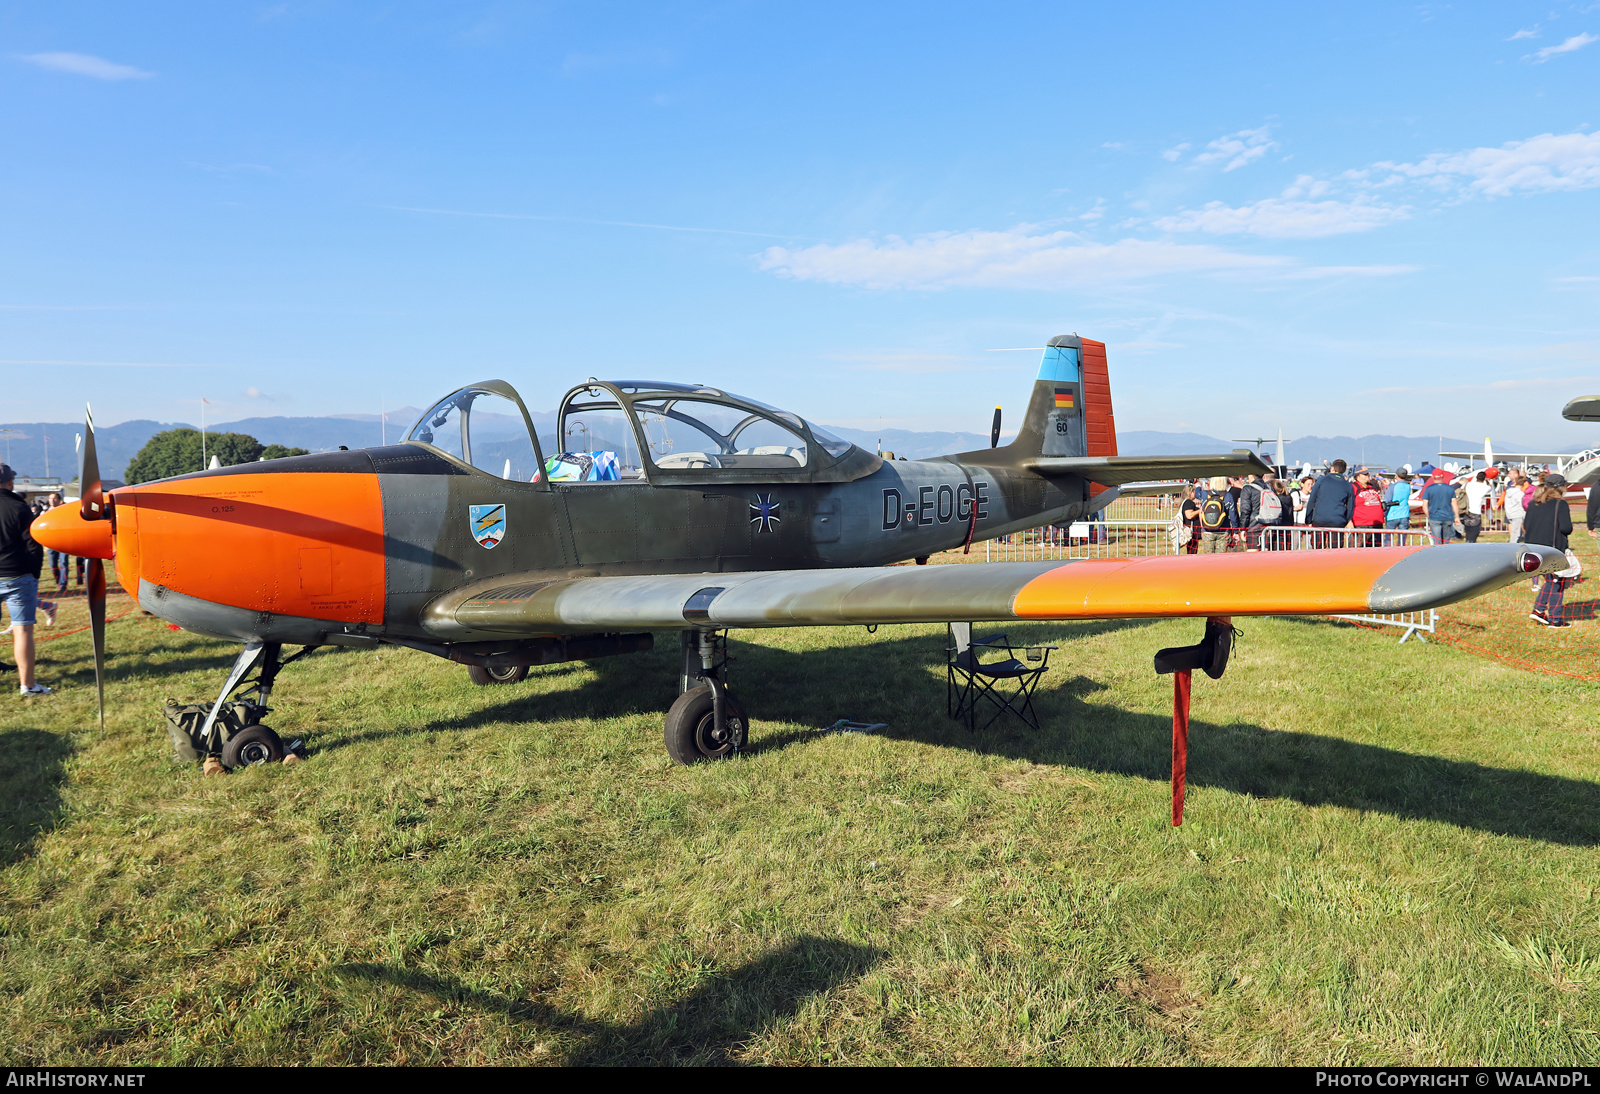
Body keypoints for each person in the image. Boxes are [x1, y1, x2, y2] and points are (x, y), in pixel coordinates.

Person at [0, 464, 53, 695]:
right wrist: (34, 573)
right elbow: (34, 545)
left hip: (17, 575)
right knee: (22, 631)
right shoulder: (19, 508)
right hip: (18, 575)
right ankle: (28, 685)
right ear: (10, 483)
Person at [1525, 475, 1576, 627]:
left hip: (1534, 549)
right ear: (1561, 487)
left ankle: (1539, 610)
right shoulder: (1560, 504)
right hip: (1553, 549)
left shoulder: (1534, 503)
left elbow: (1526, 525)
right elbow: (1566, 528)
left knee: (1550, 580)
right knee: (1557, 582)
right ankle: (1555, 619)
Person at [1304, 460, 1355, 547]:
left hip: (1319, 520)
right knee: (1335, 550)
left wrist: (1308, 519)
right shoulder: (1348, 485)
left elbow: (1312, 500)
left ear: (1332, 468)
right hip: (1338, 521)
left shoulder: (1321, 481)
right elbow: (1350, 506)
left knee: (1318, 549)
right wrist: (1345, 520)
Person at [1239, 471, 1284, 551]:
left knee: (1252, 557)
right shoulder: (1270, 488)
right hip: (1268, 525)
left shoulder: (1247, 488)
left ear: (1251, 476)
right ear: (1263, 476)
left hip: (1253, 527)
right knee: (1265, 557)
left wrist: (1243, 529)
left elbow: (1245, 510)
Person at [1420, 471, 1461, 543]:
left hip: (1434, 517)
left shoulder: (1429, 489)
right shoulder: (1450, 488)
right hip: (1447, 516)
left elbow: (1425, 504)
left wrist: (1428, 515)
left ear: (1432, 477)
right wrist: (1457, 516)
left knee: (1437, 540)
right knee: (1446, 540)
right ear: (1442, 477)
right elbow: (1454, 502)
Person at [1198, 475, 1233, 554]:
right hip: (1223, 531)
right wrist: (1236, 531)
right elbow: (1233, 514)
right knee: (1221, 558)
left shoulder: (1204, 494)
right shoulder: (1228, 495)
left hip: (1207, 530)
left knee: (1208, 557)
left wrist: (1197, 485)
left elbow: (1197, 493)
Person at [1351, 469, 1385, 546]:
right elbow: (1347, 505)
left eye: (1368, 474)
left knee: (1376, 551)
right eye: (1364, 474)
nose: (1367, 476)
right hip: (1362, 525)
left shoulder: (1371, 487)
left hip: (1376, 524)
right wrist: (1349, 522)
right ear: (1358, 476)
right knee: (1360, 551)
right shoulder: (1353, 488)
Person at [1382, 469, 1415, 544]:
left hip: (1392, 515)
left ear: (1396, 475)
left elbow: (1387, 501)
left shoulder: (1393, 487)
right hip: (1404, 514)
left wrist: (1384, 514)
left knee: (1388, 539)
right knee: (1402, 539)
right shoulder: (1408, 486)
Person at [1461, 471, 1492, 544]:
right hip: (1476, 511)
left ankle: (1468, 542)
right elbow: (1490, 487)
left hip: (1466, 510)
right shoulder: (1485, 487)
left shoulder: (1468, 484)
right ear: (1484, 478)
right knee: (1475, 532)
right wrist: (1487, 480)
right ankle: (1471, 544)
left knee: (1468, 531)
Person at [1505, 470, 1528, 544]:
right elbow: (1522, 504)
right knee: (1516, 533)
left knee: (1515, 532)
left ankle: (1513, 544)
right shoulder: (1520, 494)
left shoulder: (1509, 491)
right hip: (1518, 514)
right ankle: (1512, 546)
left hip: (1510, 513)